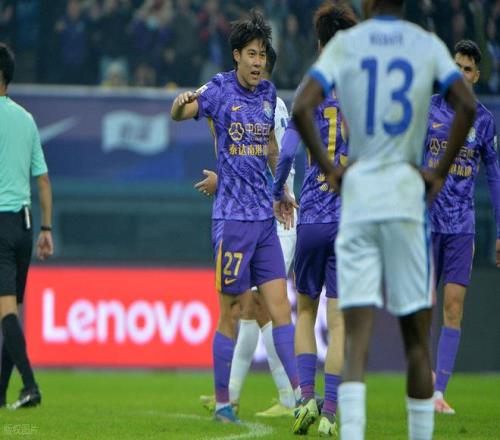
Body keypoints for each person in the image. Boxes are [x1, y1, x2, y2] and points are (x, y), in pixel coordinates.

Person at [290, 0, 477, 439]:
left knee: (355, 336)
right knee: (416, 340)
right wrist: (438, 172)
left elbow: (301, 106)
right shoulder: (426, 44)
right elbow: (467, 106)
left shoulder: (347, 45)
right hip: (407, 201)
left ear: (370, 4)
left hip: (359, 202)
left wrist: (330, 170)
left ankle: (350, 431)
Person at [170, 10, 299, 424]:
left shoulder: (268, 94)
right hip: (232, 221)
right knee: (233, 311)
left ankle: (302, 397)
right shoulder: (218, 89)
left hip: (264, 221)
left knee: (280, 308)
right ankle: (224, 402)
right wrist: (178, 106)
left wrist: (280, 190)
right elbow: (183, 113)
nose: (258, 62)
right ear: (236, 55)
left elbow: (272, 148)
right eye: (252, 54)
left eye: (262, 55)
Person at [273, 2, 357, 437]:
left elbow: (288, 152)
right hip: (349, 219)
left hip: (313, 217)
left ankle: (305, 398)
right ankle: (330, 412)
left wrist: (279, 192)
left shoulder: (310, 87)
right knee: (339, 321)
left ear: (320, 44)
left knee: (305, 310)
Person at [423, 39, 500, 415]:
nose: (461, 74)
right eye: (456, 67)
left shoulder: (483, 121)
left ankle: (438, 392)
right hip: (426, 226)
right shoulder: (429, 110)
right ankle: (421, 381)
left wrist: (499, 231)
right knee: (423, 306)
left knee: (453, 307)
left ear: (476, 75)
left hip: (461, 227)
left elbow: (495, 178)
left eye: (468, 69)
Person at [0, 43, 53, 409]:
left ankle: (30, 384)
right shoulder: (27, 119)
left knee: (6, 312)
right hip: (25, 224)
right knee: (11, 312)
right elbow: (43, 180)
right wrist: (46, 229)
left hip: (1, 224)